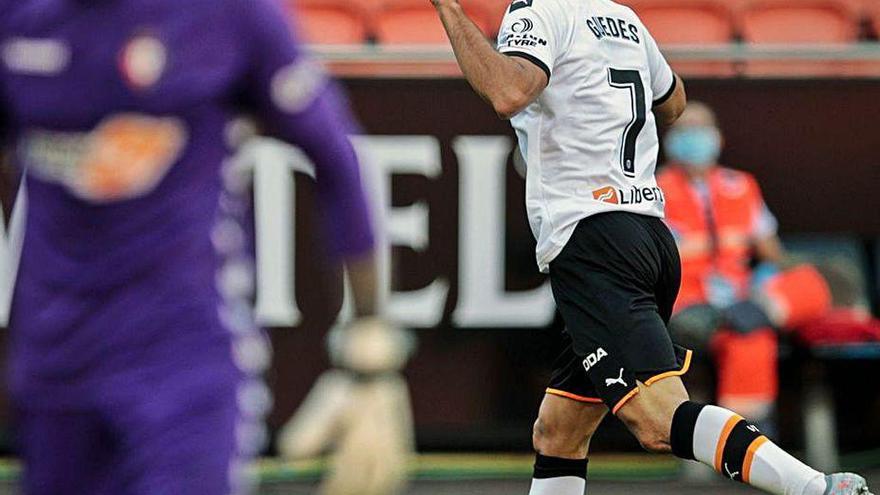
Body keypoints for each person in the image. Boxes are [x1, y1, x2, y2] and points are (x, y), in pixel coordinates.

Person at [432, 0, 872, 494]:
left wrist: (447, 8)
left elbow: (509, 91)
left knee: (658, 421)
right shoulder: (623, 17)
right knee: (558, 430)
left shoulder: (536, 12)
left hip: (592, 238)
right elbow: (674, 102)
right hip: (649, 236)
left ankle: (815, 487)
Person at [0, 0, 405, 493]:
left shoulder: (225, 13)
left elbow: (336, 157)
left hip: (185, 366)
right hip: (54, 370)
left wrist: (370, 354)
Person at [658, 102, 786, 433]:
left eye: (701, 129)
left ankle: (748, 430)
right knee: (748, 329)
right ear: (670, 139)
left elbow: (773, 253)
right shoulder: (652, 190)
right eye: (685, 130)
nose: (694, 137)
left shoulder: (742, 185)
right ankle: (746, 437)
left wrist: (767, 277)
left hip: (741, 298)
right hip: (689, 306)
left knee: (808, 284)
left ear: (717, 138)